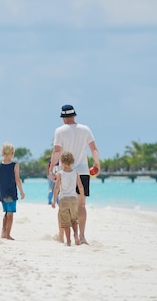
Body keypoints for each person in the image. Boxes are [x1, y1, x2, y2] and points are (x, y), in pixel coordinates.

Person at [49, 104, 100, 245]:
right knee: (81, 205)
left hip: (65, 172)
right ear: (74, 115)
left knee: (64, 205)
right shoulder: (85, 129)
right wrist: (97, 164)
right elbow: (94, 149)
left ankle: (62, 236)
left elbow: (57, 151)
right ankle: (82, 236)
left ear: (63, 118)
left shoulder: (59, 131)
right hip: (82, 172)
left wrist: (52, 167)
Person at [51, 151, 85, 246]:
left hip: (63, 199)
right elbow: (81, 187)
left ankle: (69, 241)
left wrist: (53, 201)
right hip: (74, 199)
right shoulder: (75, 173)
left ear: (61, 162)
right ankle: (76, 236)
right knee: (74, 219)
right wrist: (82, 199)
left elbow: (57, 188)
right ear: (72, 162)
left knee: (65, 222)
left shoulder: (60, 173)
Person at [0, 142, 25, 240]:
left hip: (2, 192)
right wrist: (22, 192)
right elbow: (18, 180)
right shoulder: (15, 165)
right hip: (11, 193)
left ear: (2, 154)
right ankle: (8, 234)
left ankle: (3, 231)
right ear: (12, 154)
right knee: (10, 214)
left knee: (6, 213)